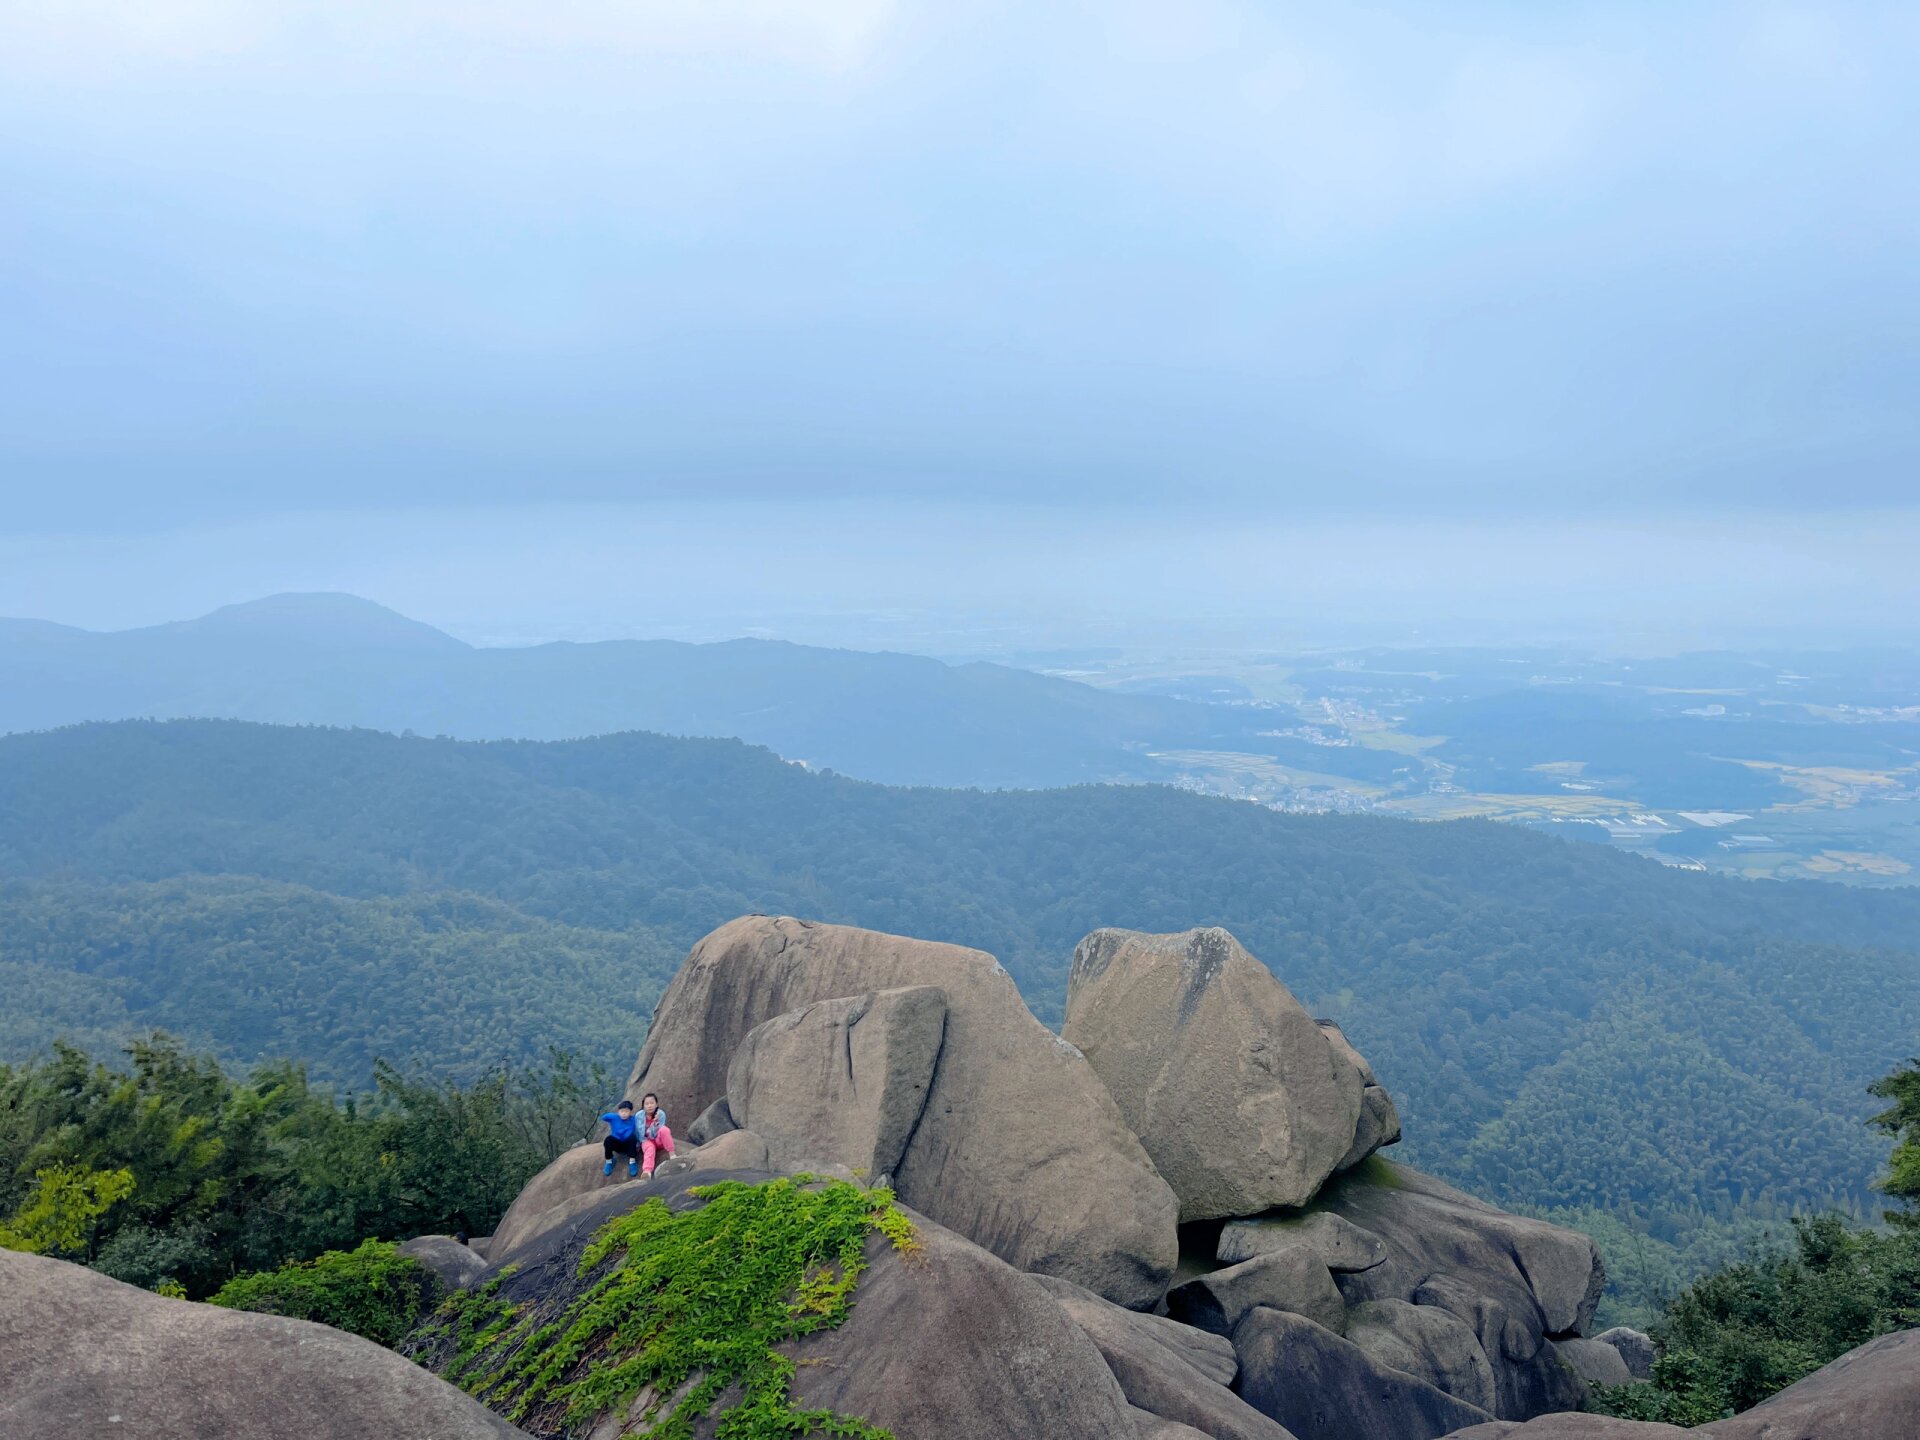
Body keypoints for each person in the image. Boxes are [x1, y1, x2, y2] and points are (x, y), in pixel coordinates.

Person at [600, 1099, 642, 1178]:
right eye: (622, 1111)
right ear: (618, 1111)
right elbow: (604, 1117)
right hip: (617, 1145)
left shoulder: (633, 1119)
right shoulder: (614, 1118)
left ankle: (632, 1161)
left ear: (630, 1112)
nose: (624, 1113)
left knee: (633, 1137)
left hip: (628, 1146)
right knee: (608, 1140)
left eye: (626, 1111)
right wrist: (613, 1116)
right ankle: (609, 1161)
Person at [638, 1093, 674, 1177]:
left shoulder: (660, 1114)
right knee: (650, 1148)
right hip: (646, 1140)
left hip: (658, 1140)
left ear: (656, 1104)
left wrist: (655, 1122)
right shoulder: (639, 1116)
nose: (649, 1106)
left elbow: (657, 1133)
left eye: (652, 1103)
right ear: (643, 1105)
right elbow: (640, 1133)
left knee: (664, 1129)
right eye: (647, 1104)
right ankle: (647, 1172)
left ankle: (672, 1154)